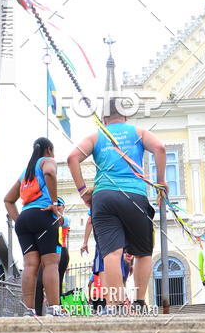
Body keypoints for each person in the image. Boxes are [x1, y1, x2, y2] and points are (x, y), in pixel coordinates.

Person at [67, 99, 167, 314]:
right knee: (143, 252)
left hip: (104, 197)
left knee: (112, 253)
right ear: (125, 116)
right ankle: (139, 303)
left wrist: (83, 190)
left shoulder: (96, 136)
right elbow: (160, 148)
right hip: (135, 195)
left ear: (104, 118)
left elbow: (72, 157)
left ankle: (118, 305)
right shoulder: (138, 132)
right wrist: (161, 182)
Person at [4, 136, 64, 317]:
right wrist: (54, 202)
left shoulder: (26, 172)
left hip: (25, 218)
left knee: (30, 265)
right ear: (49, 150)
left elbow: (8, 200)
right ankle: (54, 309)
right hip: (43, 214)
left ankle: (28, 311)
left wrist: (20, 221)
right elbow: (50, 173)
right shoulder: (47, 160)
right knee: (51, 263)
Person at [34, 197, 70, 316]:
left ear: (63, 207)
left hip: (60, 251)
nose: (57, 206)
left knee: (57, 281)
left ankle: (56, 309)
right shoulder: (46, 219)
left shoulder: (65, 219)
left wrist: (54, 210)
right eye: (55, 204)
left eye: (59, 204)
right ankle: (37, 312)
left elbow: (60, 220)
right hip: (46, 252)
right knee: (39, 282)